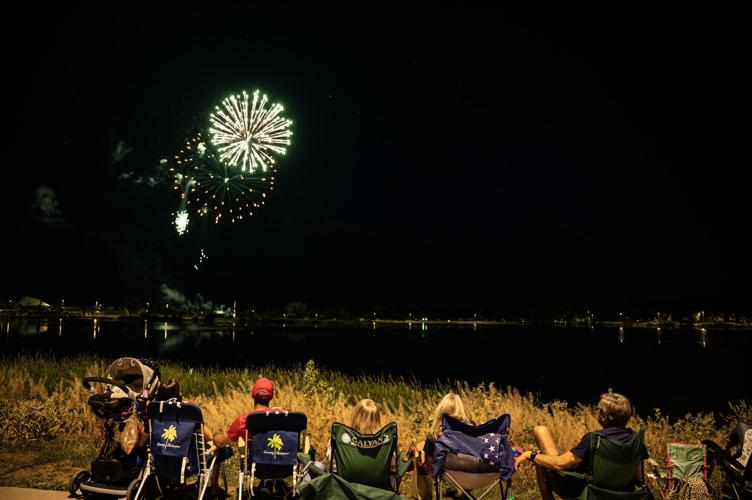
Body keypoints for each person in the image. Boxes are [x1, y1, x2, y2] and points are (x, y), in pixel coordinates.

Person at [515, 392, 648, 500]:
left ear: (604, 416)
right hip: (620, 495)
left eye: (598, 410)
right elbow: (639, 477)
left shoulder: (595, 439)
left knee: (540, 454)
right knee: (541, 442)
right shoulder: (635, 440)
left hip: (585, 492)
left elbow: (559, 464)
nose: (596, 413)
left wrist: (530, 455)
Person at [415, 393, 473, 499]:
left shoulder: (434, 437)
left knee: (419, 454)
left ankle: (425, 497)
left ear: (441, 411)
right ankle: (464, 496)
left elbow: (429, 469)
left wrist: (421, 459)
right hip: (475, 475)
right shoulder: (472, 430)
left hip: (450, 477)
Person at [212, 376, 285, 448]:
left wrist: (215, 437)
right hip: (284, 459)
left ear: (253, 395)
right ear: (271, 396)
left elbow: (222, 442)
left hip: (256, 459)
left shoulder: (244, 420)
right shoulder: (283, 417)